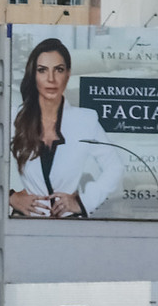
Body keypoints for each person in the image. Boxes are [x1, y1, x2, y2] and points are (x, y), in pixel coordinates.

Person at [8, 37, 122, 219]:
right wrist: (11, 197)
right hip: (25, 225)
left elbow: (114, 167)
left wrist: (83, 202)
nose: (51, 79)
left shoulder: (85, 120)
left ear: (68, 75)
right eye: (42, 70)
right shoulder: (14, 117)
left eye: (58, 70)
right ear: (33, 75)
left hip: (70, 227)